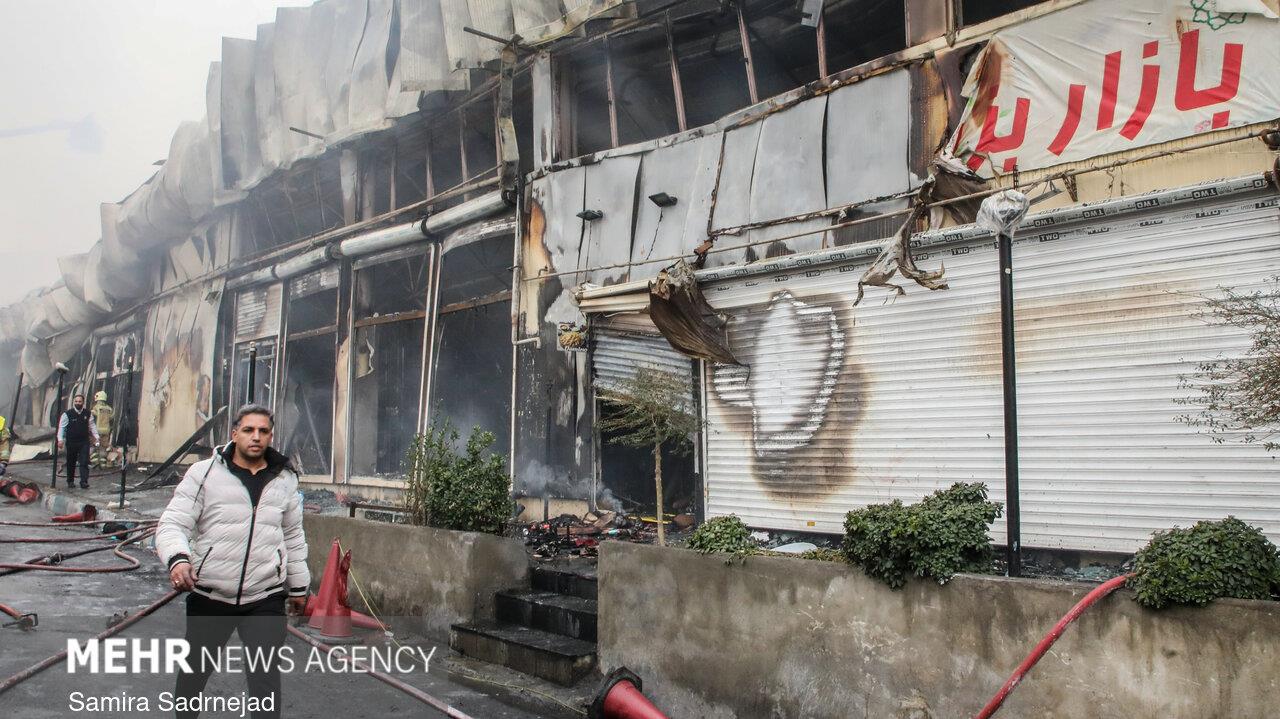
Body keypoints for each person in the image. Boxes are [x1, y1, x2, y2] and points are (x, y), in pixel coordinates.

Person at [155, 404, 309, 719]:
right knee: (194, 675)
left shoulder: (285, 479)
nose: (256, 437)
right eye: (249, 430)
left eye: (263, 431)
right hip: (211, 594)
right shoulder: (204, 474)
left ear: (271, 436)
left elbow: (293, 536)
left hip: (264, 596)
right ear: (234, 433)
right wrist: (178, 560)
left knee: (265, 683)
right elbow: (172, 523)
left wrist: (299, 587)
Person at [57, 394, 99, 489]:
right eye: (76, 401)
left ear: (83, 402)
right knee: (71, 462)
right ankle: (70, 481)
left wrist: (96, 436)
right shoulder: (67, 414)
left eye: (80, 401)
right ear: (74, 402)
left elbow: (92, 426)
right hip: (71, 442)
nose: (78, 403)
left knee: (84, 461)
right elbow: (61, 428)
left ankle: (84, 481)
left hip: (84, 441)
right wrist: (60, 440)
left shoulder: (87, 414)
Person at [90, 391, 114, 468]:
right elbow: (111, 417)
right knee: (103, 447)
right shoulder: (109, 408)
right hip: (106, 431)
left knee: (95, 446)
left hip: (97, 431)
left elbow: (92, 416)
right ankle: (103, 464)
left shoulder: (96, 407)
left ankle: (95, 463)